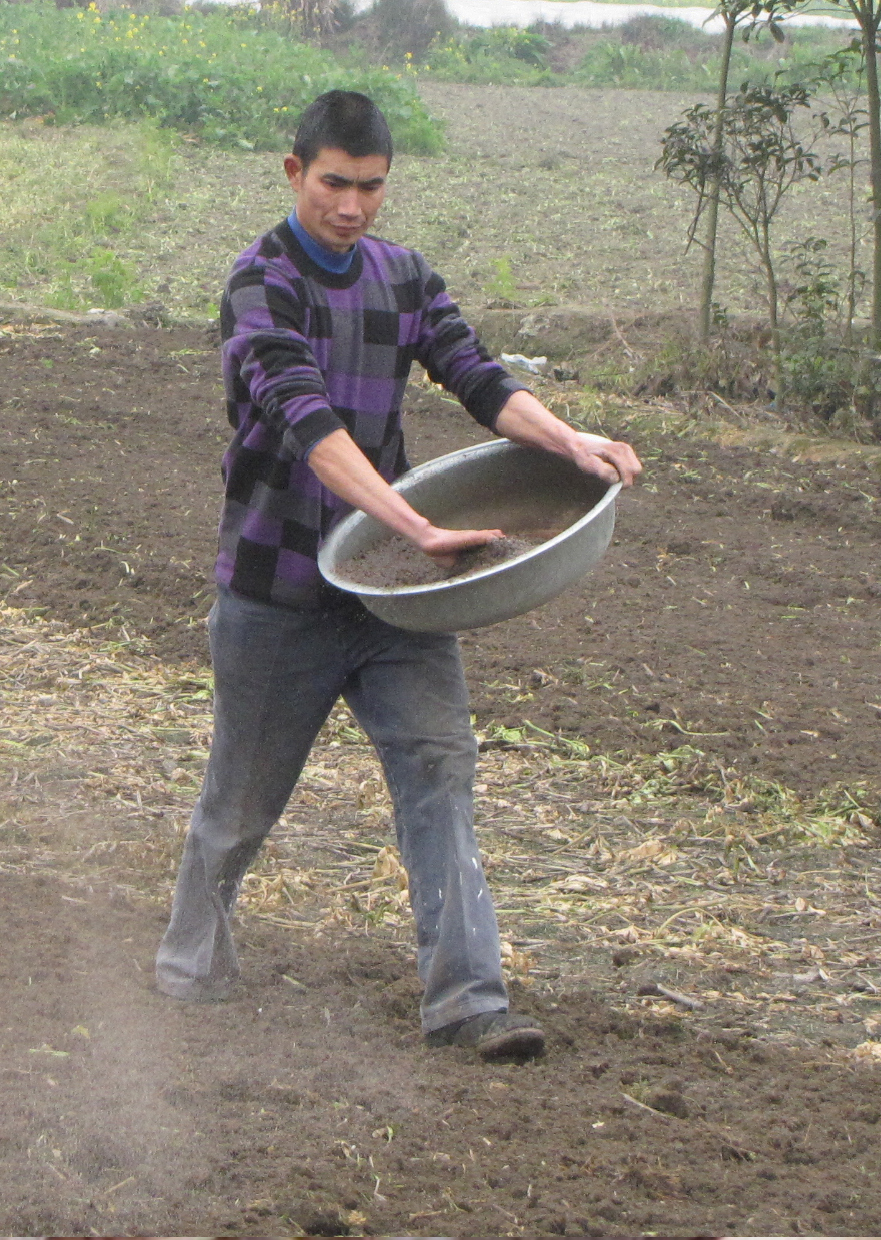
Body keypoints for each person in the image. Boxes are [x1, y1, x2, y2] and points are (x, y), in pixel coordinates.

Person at [155, 89, 642, 1063]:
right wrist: (417, 524)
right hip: (276, 592)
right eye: (333, 184)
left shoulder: (403, 279)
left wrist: (569, 439)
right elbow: (307, 424)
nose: (350, 207)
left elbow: (477, 376)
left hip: (392, 600)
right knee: (239, 805)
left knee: (437, 776)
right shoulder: (261, 286)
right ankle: (188, 969)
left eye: (370, 188)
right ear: (294, 173)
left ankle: (467, 1001)